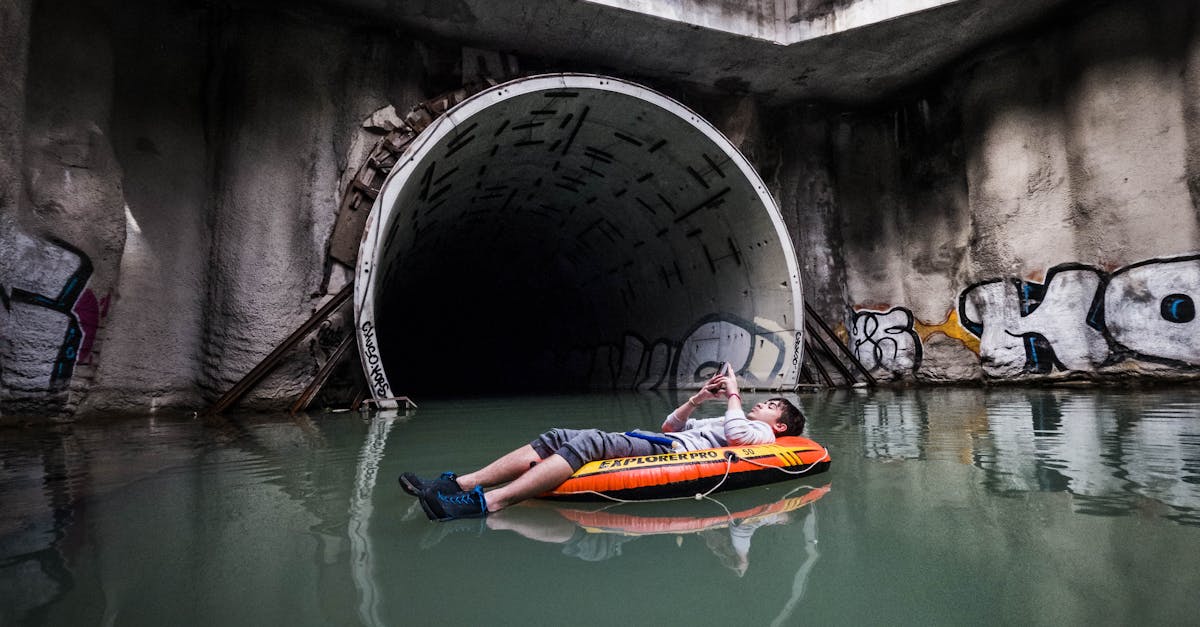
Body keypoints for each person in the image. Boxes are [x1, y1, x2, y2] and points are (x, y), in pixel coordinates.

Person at [400, 363, 806, 522]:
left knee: (590, 442)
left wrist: (734, 394)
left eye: (770, 406)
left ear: (781, 426)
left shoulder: (762, 436)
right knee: (557, 436)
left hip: (673, 456)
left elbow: (737, 435)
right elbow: (669, 426)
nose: (761, 405)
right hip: (663, 441)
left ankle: (487, 504)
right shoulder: (729, 417)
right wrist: (699, 398)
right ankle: (461, 484)